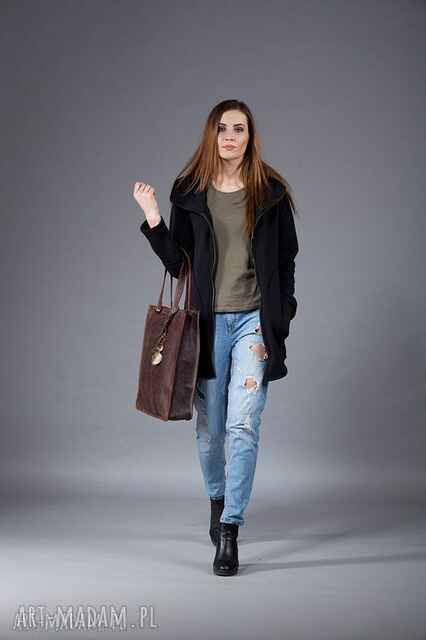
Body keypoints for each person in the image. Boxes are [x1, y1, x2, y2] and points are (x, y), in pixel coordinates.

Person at [133, 99, 299, 577]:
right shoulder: (190, 191)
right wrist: (153, 217)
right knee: (210, 432)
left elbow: (286, 259)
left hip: (253, 324)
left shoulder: (271, 192)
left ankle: (230, 529)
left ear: (250, 136)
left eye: (239, 129)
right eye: (222, 128)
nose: (230, 137)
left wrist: (282, 313)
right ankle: (217, 498)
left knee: (244, 425)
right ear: (212, 134)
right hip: (206, 325)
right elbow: (178, 263)